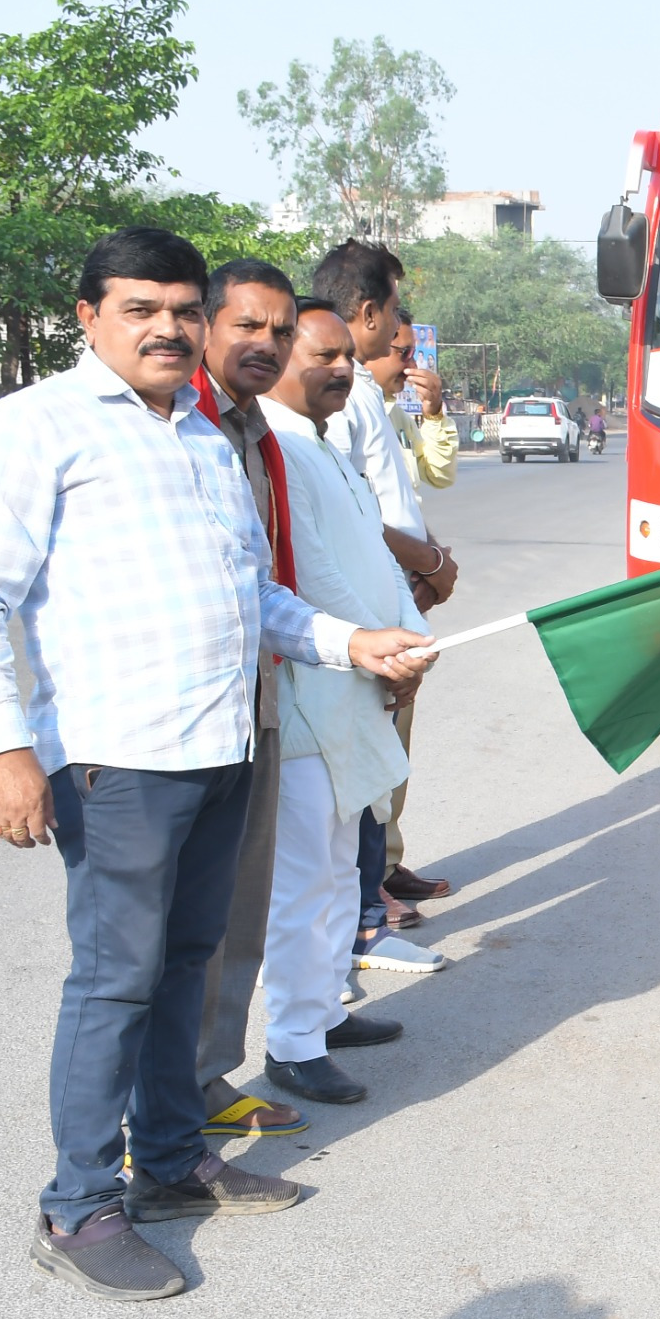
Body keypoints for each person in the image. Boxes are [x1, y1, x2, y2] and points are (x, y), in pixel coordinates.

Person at [0, 228, 433, 1302]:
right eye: (139, 308)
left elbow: (255, 596)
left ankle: (167, 1162)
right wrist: (7, 750)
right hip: (117, 761)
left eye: (182, 309)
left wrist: (351, 642)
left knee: (185, 964)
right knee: (115, 981)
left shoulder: (203, 431)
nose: (166, 327)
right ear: (88, 317)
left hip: (221, 748)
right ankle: (76, 1205)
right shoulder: (38, 424)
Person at [256, 301, 431, 1108]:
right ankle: (293, 1043)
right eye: (323, 356)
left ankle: (324, 1010)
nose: (341, 370)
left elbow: (378, 559)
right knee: (304, 879)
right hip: (313, 689)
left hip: (357, 681)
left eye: (346, 360)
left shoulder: (325, 446)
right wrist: (375, 645)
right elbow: (311, 573)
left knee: (334, 869)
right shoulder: (276, 448)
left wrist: (408, 636)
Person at [187, 259, 313, 1142]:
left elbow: (261, 577)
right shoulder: (178, 425)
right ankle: (158, 1111)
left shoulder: (253, 430)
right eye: (247, 326)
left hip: (256, 692)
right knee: (174, 928)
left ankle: (204, 1079)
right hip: (181, 718)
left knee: (238, 907)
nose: (266, 344)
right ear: (205, 327)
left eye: (280, 331)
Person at [310, 240, 456, 965]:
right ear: (369, 312)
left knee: (381, 766)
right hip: (361, 623)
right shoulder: (337, 402)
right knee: (362, 773)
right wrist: (425, 563)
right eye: (396, 313)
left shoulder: (369, 396)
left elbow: (395, 497)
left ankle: (370, 901)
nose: (402, 332)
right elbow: (351, 520)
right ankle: (364, 917)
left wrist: (420, 576)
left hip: (390, 604)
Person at [370, 307, 459, 493]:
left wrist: (434, 414)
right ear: (375, 346)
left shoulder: (395, 415)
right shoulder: (346, 410)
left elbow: (439, 474)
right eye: (405, 353)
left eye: (413, 354)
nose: (413, 365)